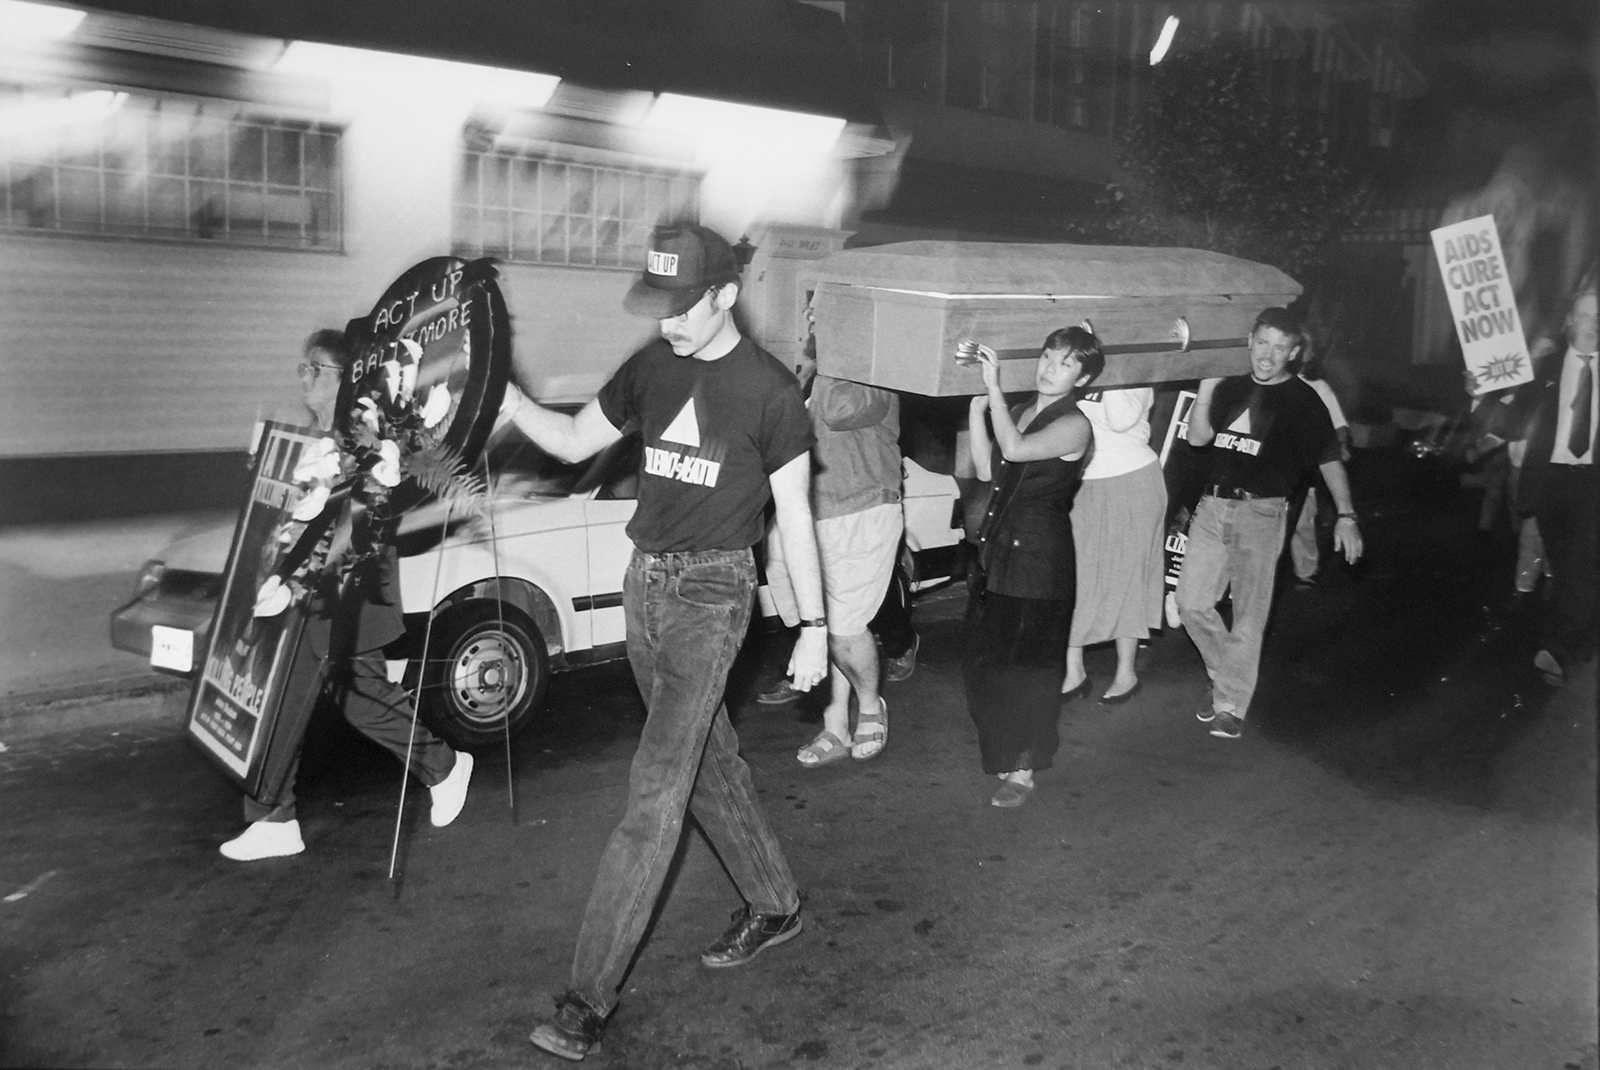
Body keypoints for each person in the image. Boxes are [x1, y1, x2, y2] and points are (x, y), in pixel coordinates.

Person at [499, 223, 828, 1062]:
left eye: (683, 309)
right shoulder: (652, 367)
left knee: (654, 793)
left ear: (725, 296)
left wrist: (815, 627)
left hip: (715, 594)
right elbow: (575, 441)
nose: (669, 323)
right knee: (704, 762)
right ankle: (776, 901)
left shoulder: (771, 392)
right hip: (644, 583)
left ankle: (586, 1000)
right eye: (659, 307)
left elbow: (795, 518)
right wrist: (505, 399)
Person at [218, 329, 474, 862]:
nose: (304, 377)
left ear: (349, 378)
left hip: (345, 589)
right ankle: (273, 817)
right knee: (282, 694)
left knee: (360, 698)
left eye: (317, 367)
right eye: (303, 367)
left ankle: (444, 765)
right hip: (301, 591)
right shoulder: (306, 441)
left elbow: (363, 523)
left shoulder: (367, 445)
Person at [1176, 307, 1363, 740]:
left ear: (1294, 352)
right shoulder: (1229, 388)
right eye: (1262, 343)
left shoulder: (1304, 400)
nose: (1267, 355)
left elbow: (1329, 458)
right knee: (1191, 604)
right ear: (1249, 340)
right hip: (1212, 507)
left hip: (1261, 513)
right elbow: (1198, 438)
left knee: (1248, 616)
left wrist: (1347, 515)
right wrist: (1206, 387)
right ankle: (1228, 679)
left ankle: (1230, 704)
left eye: (1280, 348)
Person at [760, 302, 905, 765]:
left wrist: (824, 362)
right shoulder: (818, 375)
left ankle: (870, 706)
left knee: (842, 630)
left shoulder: (873, 375)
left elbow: (840, 409)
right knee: (823, 626)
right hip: (815, 514)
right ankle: (835, 726)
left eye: (822, 315)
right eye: (810, 315)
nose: (811, 323)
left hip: (862, 511)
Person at [964, 328, 1096, 808]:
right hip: (999, 555)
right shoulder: (1021, 411)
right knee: (984, 664)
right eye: (1046, 356)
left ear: (1083, 377)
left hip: (1040, 564)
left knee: (1027, 671)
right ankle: (1006, 751)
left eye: (1064, 363)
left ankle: (1021, 769)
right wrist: (978, 411)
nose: (1048, 367)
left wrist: (995, 389)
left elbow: (1016, 449)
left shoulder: (1076, 425)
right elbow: (987, 469)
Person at [1511, 278, 1597, 686]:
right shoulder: (1545, 366)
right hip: (1551, 482)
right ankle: (1582, 637)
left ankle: (1557, 650)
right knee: (1567, 567)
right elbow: (1515, 414)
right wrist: (1478, 391)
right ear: (1569, 322)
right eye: (1584, 315)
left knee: (1581, 563)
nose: (1592, 324)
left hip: (1594, 483)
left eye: (1599, 317)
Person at [1059, 380, 1167, 704]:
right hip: (1083, 480)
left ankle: (1126, 672)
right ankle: (1073, 670)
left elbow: (1120, 419)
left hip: (1132, 477)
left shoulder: (1137, 375)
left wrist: (1112, 371)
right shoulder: (1082, 366)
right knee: (1076, 576)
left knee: (1128, 576)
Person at [1287, 361, 1353, 586]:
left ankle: (1306, 570)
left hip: (1306, 466)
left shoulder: (1317, 386)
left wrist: (1340, 446)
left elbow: (1338, 424)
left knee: (1302, 519)